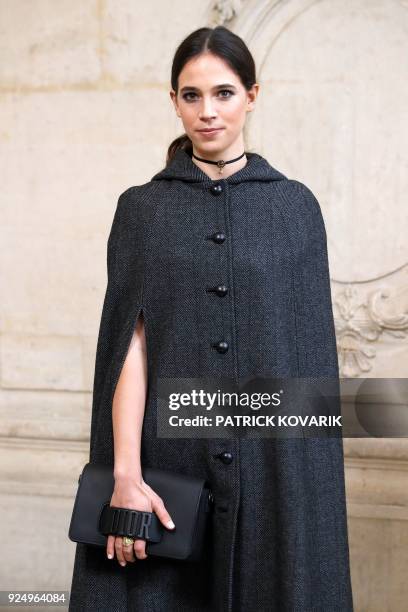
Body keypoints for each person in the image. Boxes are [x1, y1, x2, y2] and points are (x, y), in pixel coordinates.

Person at [69, 25, 354, 612]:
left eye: (223, 93)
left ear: (252, 94)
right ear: (173, 100)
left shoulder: (296, 208)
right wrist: (126, 474)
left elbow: (306, 358)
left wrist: (302, 488)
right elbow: (130, 347)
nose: (207, 111)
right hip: (167, 460)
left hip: (272, 461)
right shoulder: (142, 210)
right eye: (191, 95)